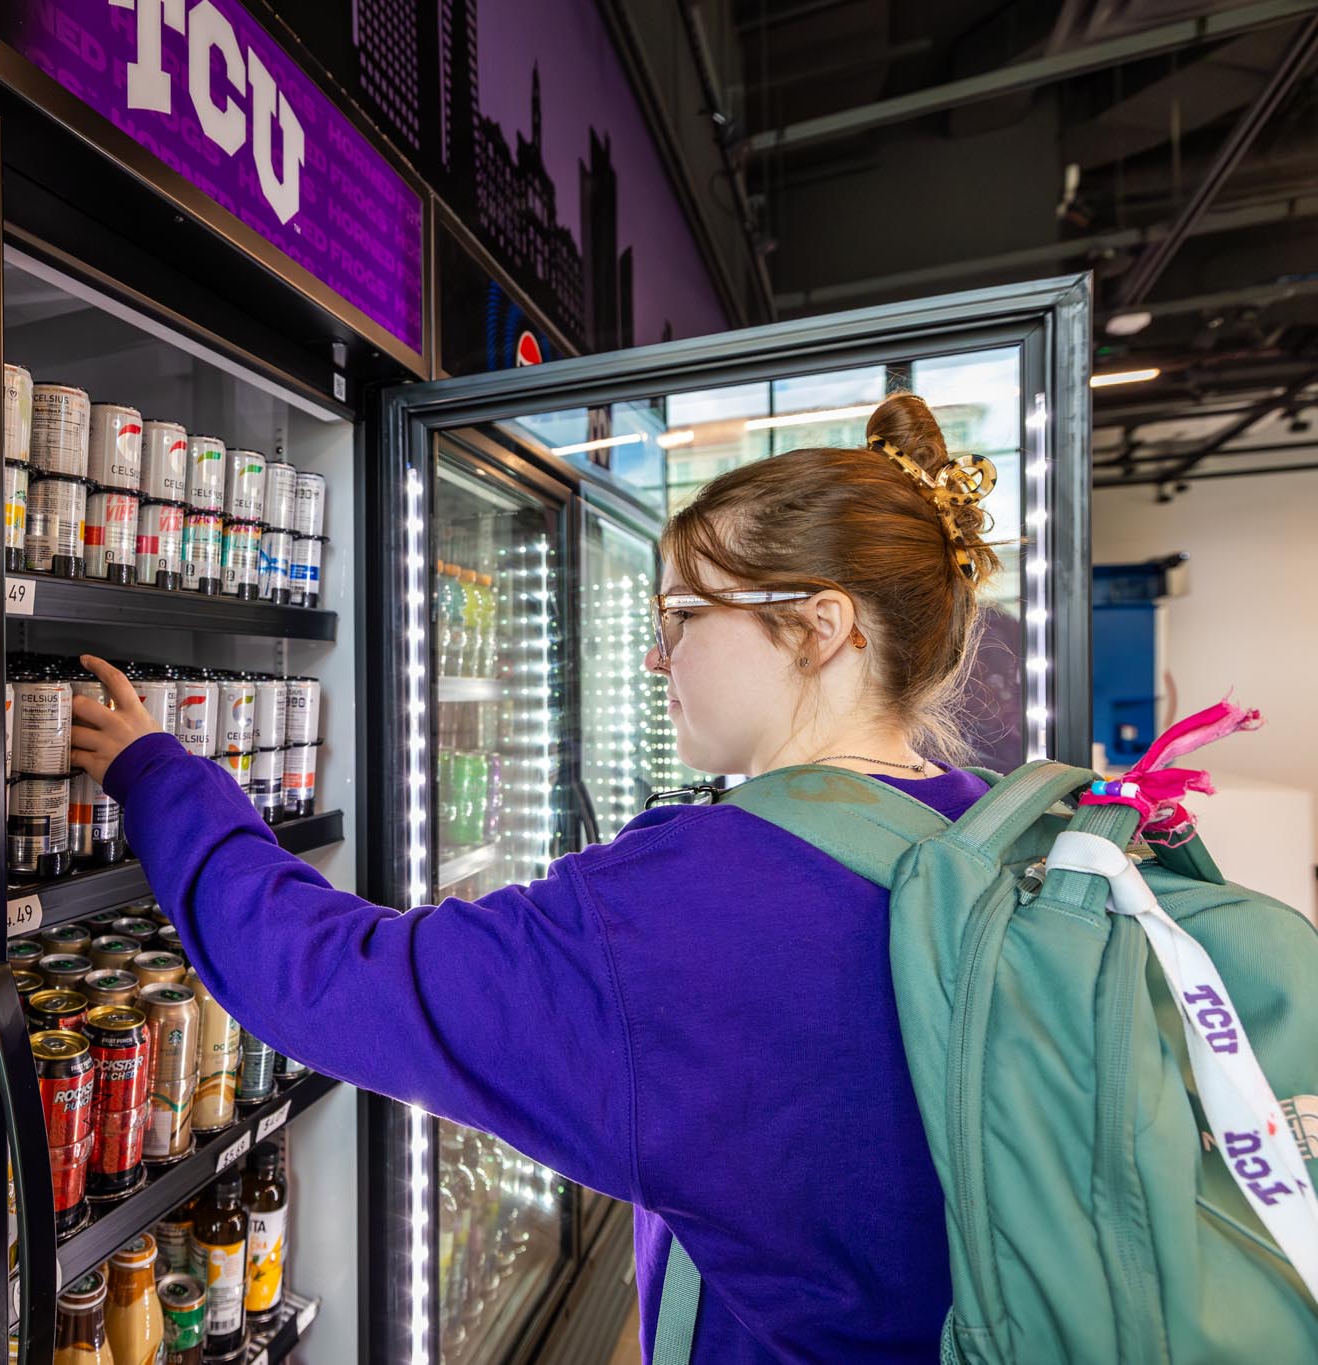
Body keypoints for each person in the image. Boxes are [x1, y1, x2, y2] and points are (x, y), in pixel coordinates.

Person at [70, 393, 997, 1364]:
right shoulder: (989, 828)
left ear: (817, 628)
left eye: (681, 613)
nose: (654, 654)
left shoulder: (699, 908)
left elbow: (322, 976)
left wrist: (157, 776)